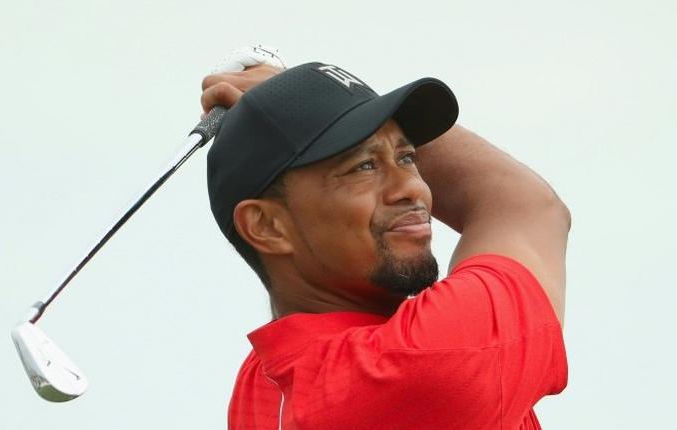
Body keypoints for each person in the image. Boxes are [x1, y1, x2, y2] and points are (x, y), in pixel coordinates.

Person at [200, 61, 570, 430]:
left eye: (407, 158)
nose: (413, 188)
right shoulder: (415, 362)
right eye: (363, 167)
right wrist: (287, 92)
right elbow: (525, 206)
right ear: (267, 226)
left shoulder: (264, 380)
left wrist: (300, 101)